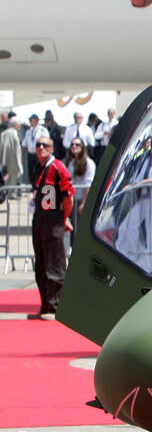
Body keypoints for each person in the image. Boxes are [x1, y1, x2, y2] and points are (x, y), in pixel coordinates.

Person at [29, 134, 74, 320]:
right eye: (38, 145)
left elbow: (68, 196)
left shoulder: (57, 167)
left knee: (54, 265)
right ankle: (45, 306)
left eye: (44, 145)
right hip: (39, 219)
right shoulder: (37, 167)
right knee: (40, 264)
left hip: (53, 220)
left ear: (52, 148)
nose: (40, 148)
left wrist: (64, 218)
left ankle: (56, 308)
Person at [115, 132, 152, 273]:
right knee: (128, 225)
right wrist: (132, 185)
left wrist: (136, 184)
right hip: (144, 196)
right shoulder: (146, 158)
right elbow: (139, 175)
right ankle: (131, 254)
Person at [64, 137, 96, 240]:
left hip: (82, 199)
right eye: (72, 144)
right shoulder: (71, 162)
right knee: (73, 227)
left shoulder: (89, 163)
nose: (74, 146)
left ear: (82, 147)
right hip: (73, 199)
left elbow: (88, 184)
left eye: (77, 144)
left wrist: (83, 202)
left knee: (80, 228)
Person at [22, 114, 47, 189]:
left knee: (39, 172)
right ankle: (34, 188)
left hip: (39, 154)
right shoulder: (29, 131)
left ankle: (40, 187)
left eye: (31, 120)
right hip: (31, 154)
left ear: (36, 121)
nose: (30, 122)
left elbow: (46, 142)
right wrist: (23, 156)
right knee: (31, 172)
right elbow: (24, 144)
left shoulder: (42, 130)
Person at [0, 117, 22, 195]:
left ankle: (5, 193)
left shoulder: (4, 133)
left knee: (8, 178)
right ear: (15, 124)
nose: (20, 125)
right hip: (13, 160)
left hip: (5, 160)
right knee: (13, 178)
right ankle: (8, 194)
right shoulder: (14, 133)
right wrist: (19, 163)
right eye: (19, 124)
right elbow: (16, 149)